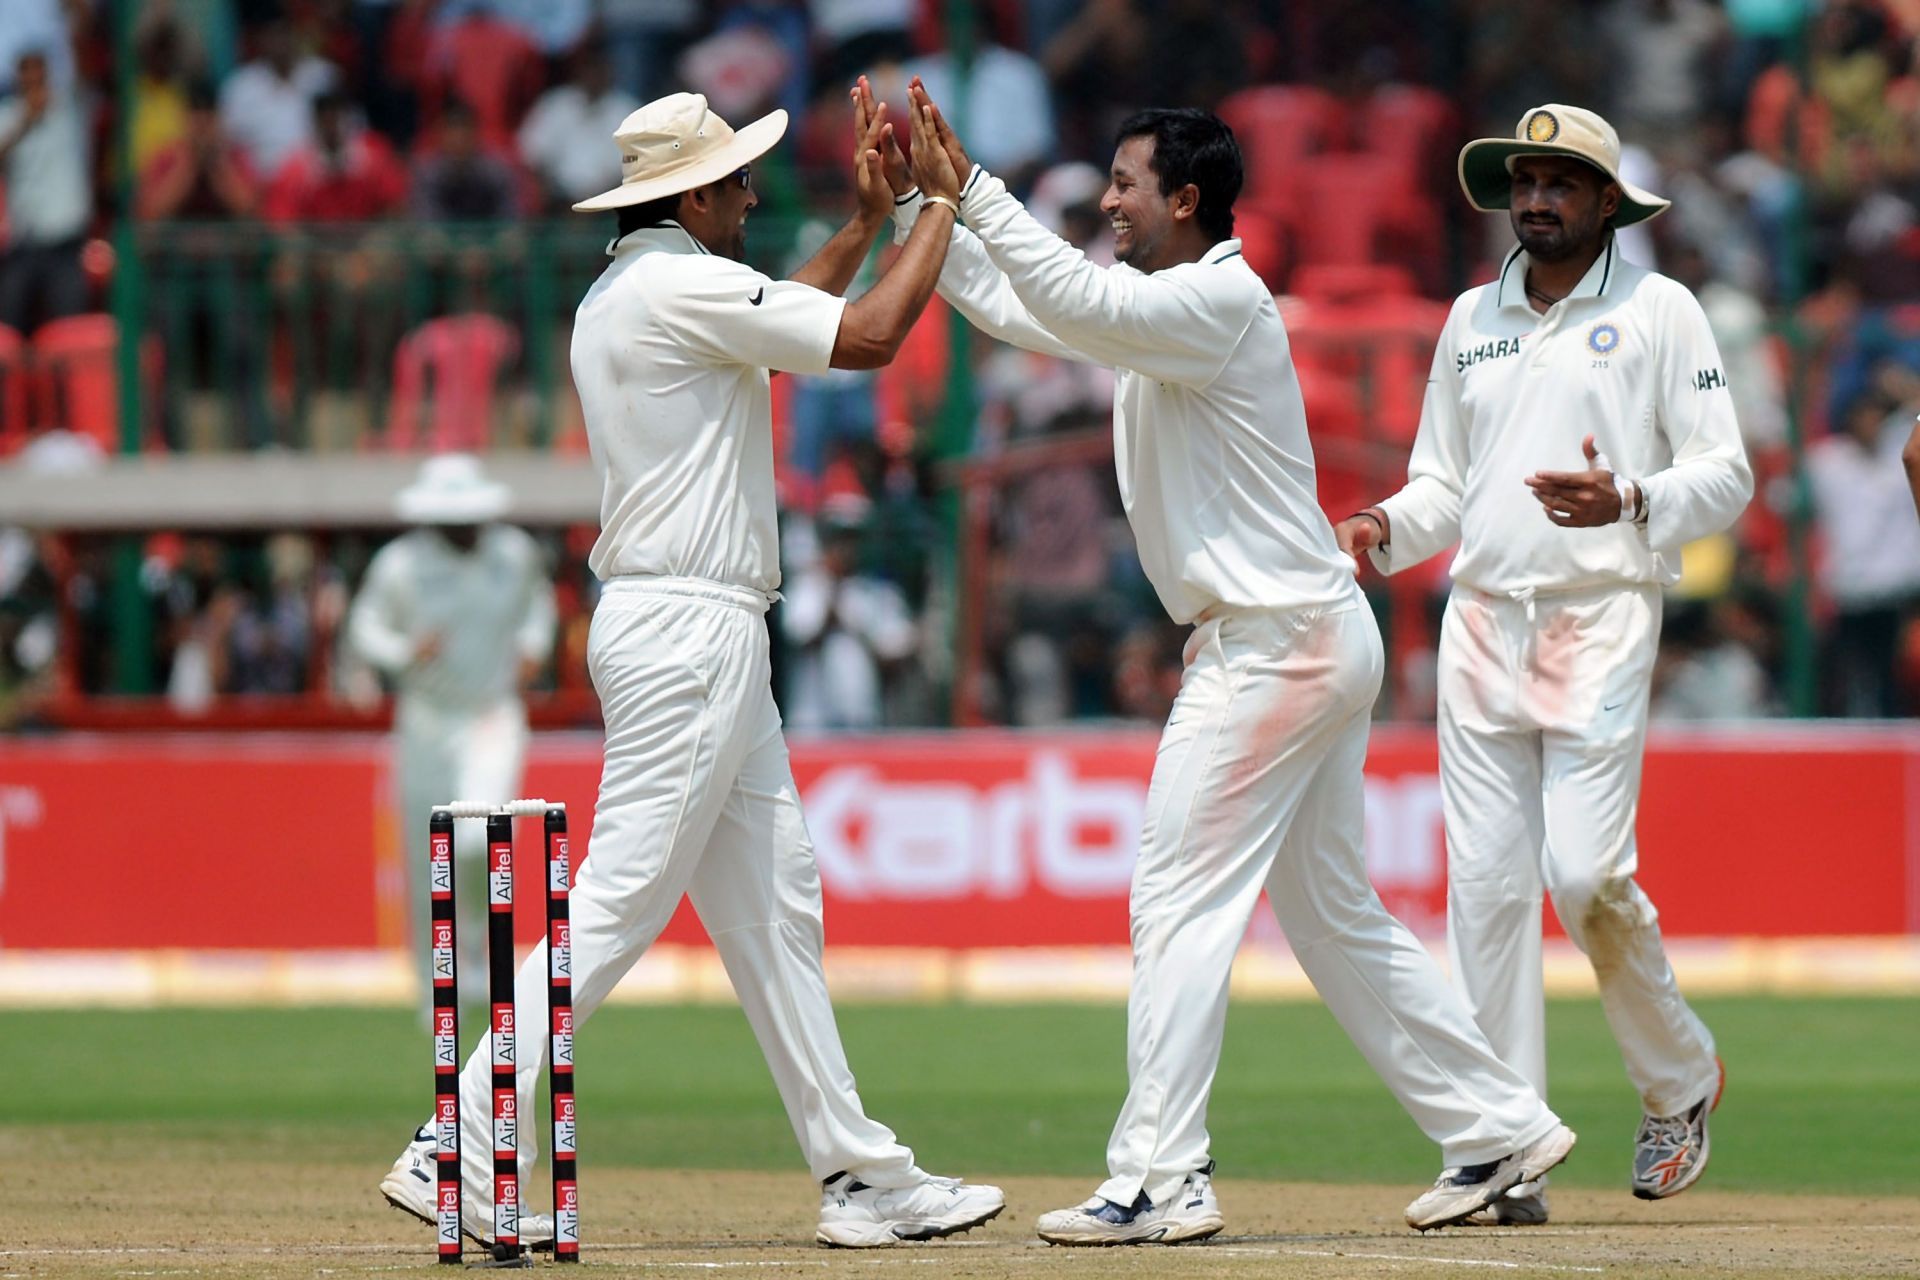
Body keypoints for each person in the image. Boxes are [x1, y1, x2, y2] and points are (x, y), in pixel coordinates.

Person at [889, 80, 1574, 1244]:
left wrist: (977, 191)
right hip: (1298, 633)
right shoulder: (1161, 308)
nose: (1106, 201)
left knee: (1176, 896)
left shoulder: (1219, 301)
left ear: (1188, 199)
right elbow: (1027, 309)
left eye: (1123, 184)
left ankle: (1162, 1174)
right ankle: (1496, 1123)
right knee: (1331, 914)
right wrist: (925, 209)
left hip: (1276, 646)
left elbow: (1063, 289)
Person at [379, 88, 1006, 1250]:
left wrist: (869, 226)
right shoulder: (676, 285)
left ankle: (860, 1174)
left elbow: (795, 318)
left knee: (778, 910)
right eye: (739, 183)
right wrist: (938, 205)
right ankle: (451, 1136)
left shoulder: (634, 289)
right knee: (619, 899)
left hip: (687, 623)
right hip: (692, 627)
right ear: (695, 195)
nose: (755, 198)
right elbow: (865, 340)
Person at [1334, 104, 1752, 1222]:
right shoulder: (1471, 316)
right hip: (1482, 620)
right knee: (1485, 897)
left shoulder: (1659, 310)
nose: (1535, 201)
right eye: (1523, 181)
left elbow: (1727, 476)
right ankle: (1500, 1144)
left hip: (1601, 614)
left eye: (1560, 183)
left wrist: (1629, 496)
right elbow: (1442, 487)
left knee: (1584, 879)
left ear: (1607, 201)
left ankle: (1679, 1075)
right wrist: (1384, 525)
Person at [347, 455, 556, 1011]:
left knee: (477, 837)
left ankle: (482, 955)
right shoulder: (400, 565)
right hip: (424, 720)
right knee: (426, 859)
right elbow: (365, 627)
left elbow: (539, 607)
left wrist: (533, 647)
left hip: (492, 714)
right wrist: (402, 652)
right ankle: (432, 988)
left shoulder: (513, 553)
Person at [0, 49, 91, 334]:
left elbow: (83, 62)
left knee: (70, 325)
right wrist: (26, 123)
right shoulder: (7, 114)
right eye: (26, 72)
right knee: (9, 324)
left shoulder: (69, 108)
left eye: (38, 71)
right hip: (24, 241)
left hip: (65, 240)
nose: (33, 79)